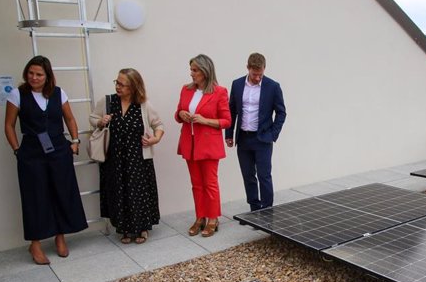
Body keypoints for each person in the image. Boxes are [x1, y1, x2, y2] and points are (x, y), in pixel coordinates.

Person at [4, 55, 88, 265]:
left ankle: (60, 237)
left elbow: (69, 118)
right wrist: (17, 150)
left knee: (61, 191)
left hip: (59, 149)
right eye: (31, 73)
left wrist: (75, 141)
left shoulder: (58, 93)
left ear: (47, 76)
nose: (34, 77)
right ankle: (35, 244)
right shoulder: (17, 94)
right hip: (31, 152)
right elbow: (9, 125)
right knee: (35, 197)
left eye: (39, 74)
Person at [89, 68, 164, 244]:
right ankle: (124, 228)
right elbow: (93, 118)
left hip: (138, 159)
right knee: (118, 192)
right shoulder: (107, 102)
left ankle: (141, 228)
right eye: (117, 82)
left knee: (138, 193)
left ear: (133, 87)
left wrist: (155, 139)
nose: (118, 86)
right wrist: (100, 122)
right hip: (113, 159)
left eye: (122, 84)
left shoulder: (143, 105)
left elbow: (159, 125)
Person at [175, 54, 231, 237]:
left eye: (195, 70)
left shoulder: (219, 92)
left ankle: (213, 218)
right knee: (196, 184)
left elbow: (226, 121)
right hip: (189, 143)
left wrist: (205, 120)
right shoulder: (186, 90)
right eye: (191, 69)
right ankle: (200, 217)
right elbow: (177, 114)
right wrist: (182, 114)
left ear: (205, 72)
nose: (191, 73)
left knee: (210, 183)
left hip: (208, 145)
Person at [225, 53, 286, 211]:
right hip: (243, 139)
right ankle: (254, 208)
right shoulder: (237, 84)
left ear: (264, 69)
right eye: (254, 74)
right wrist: (229, 134)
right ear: (248, 68)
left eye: (260, 74)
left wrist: (273, 134)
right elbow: (231, 110)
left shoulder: (273, 86)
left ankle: (267, 210)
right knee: (248, 175)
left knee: (264, 176)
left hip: (263, 139)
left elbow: (281, 112)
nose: (258, 78)